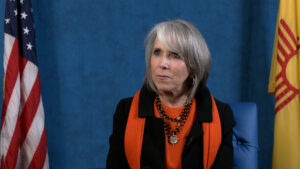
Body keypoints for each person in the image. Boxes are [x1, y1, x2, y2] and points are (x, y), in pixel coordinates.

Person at [106, 19, 235, 169]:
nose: (162, 64)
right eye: (157, 52)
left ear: (193, 68)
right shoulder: (125, 110)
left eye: (175, 55)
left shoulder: (221, 114)